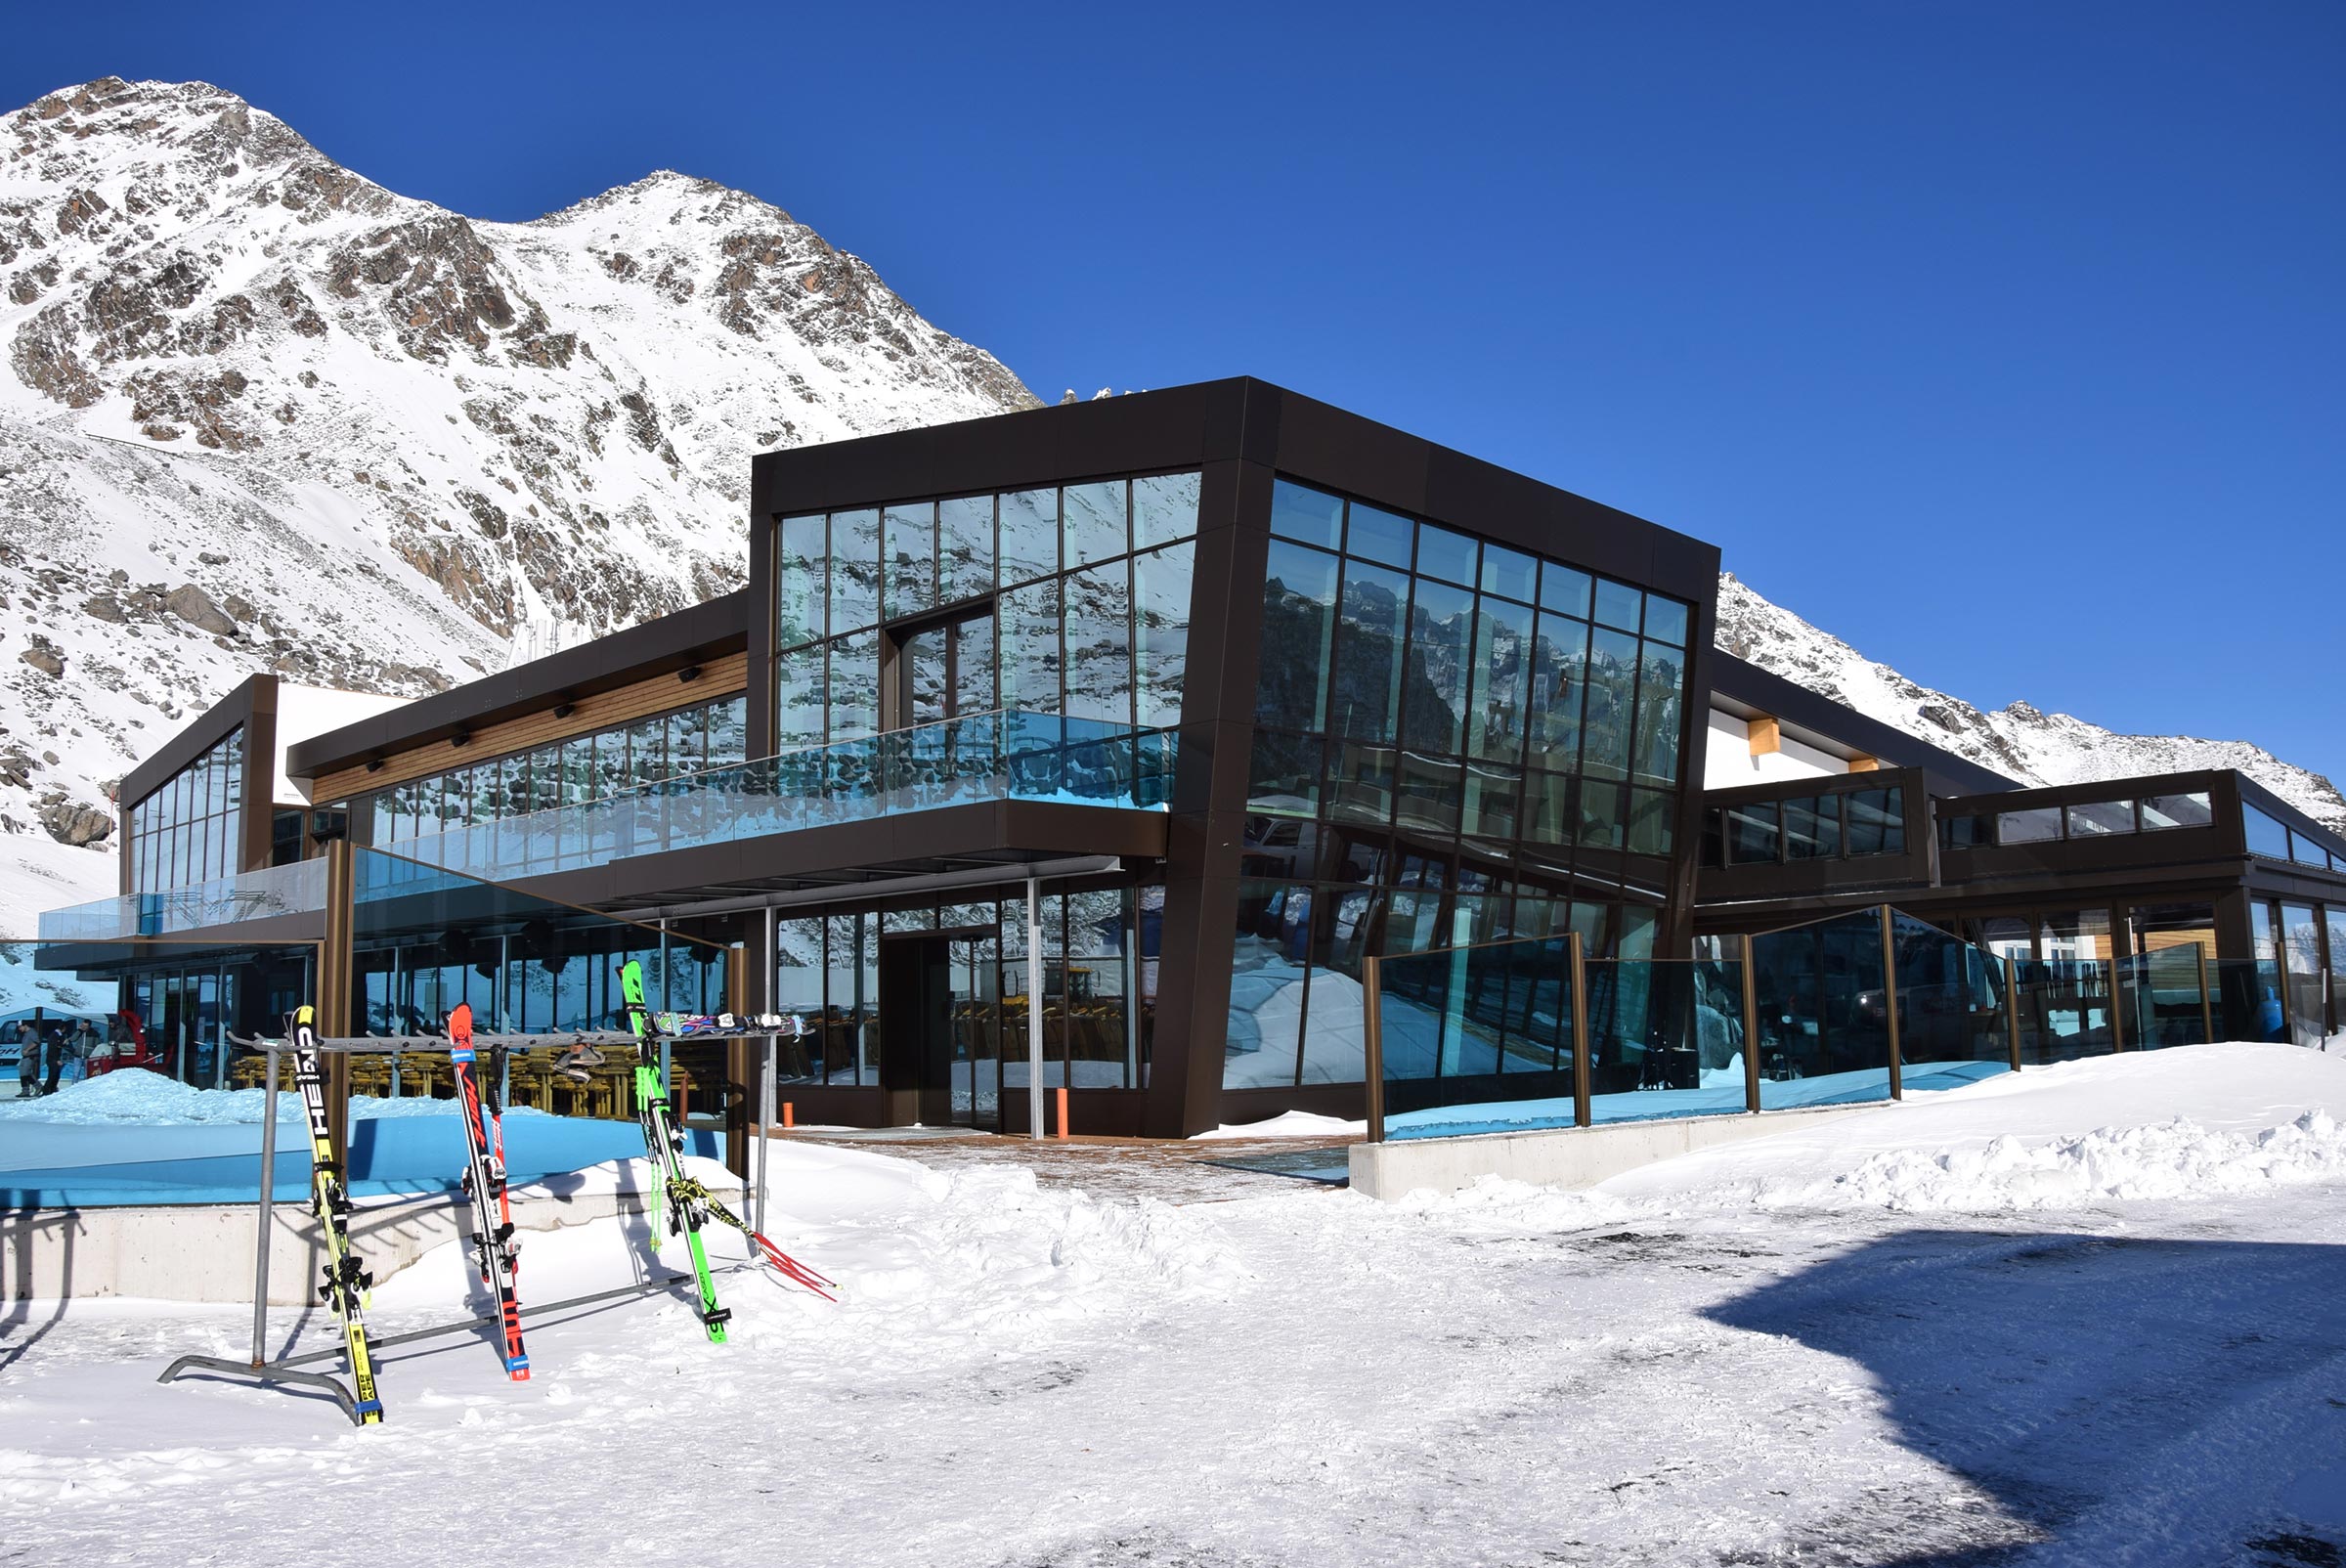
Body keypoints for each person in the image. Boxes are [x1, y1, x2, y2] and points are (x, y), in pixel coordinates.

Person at [16, 1020, 42, 1099]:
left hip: (31, 1055)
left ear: (25, 1025)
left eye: (20, 1027)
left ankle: (38, 1086)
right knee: (22, 1072)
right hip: (25, 1056)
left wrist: (27, 1049)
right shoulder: (26, 1034)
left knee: (26, 1072)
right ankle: (25, 1090)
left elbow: (36, 1042)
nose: (19, 1029)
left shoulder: (32, 1033)